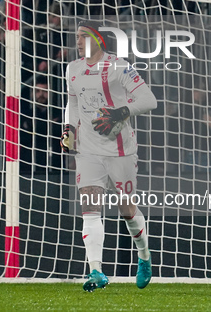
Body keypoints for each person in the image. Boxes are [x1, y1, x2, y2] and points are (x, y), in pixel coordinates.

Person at [61, 20, 157, 292]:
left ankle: (144, 257)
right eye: (76, 37)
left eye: (83, 37)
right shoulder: (73, 68)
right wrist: (69, 129)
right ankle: (96, 271)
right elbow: (74, 103)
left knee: (127, 211)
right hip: (88, 150)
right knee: (90, 209)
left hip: (120, 150)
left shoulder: (119, 66)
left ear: (98, 39)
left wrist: (120, 112)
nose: (78, 42)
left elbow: (149, 100)